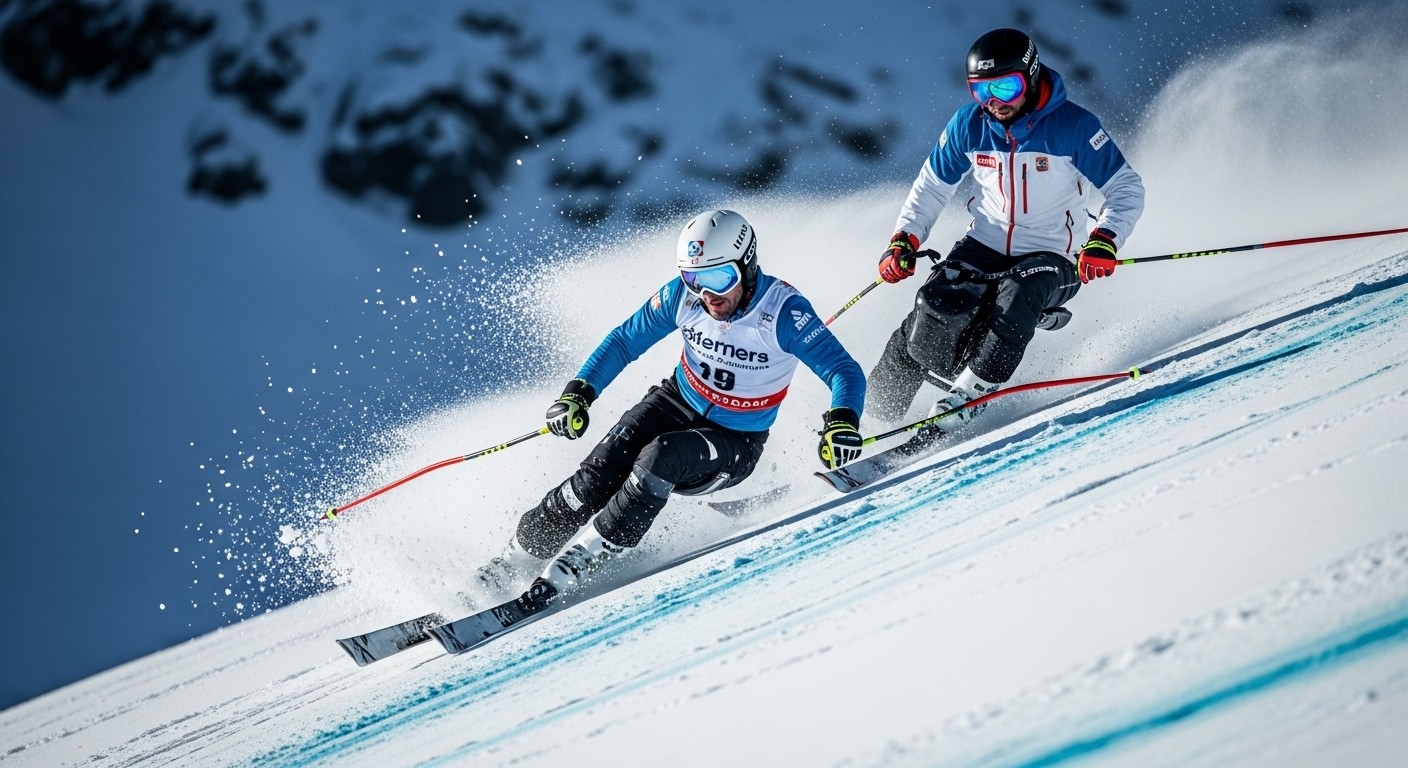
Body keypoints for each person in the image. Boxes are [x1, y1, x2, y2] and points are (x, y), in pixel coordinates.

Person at [476, 209, 867, 612]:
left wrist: (842, 421)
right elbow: (625, 340)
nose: (707, 295)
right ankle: (509, 563)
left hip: (736, 440)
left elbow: (844, 371)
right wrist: (579, 392)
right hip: (674, 401)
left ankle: (574, 566)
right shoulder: (683, 298)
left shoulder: (783, 312)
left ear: (747, 267)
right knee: (595, 477)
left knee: (660, 457)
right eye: (693, 279)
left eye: (719, 279)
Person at [867, 27, 1145, 433]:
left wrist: (1105, 239)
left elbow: (1126, 189)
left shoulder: (1074, 127)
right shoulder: (969, 125)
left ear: (1030, 77)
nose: (994, 102)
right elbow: (931, 187)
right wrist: (904, 238)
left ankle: (968, 397)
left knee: (1018, 293)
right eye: (982, 91)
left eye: (1006, 87)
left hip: (1052, 255)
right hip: (985, 242)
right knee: (930, 309)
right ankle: (869, 417)